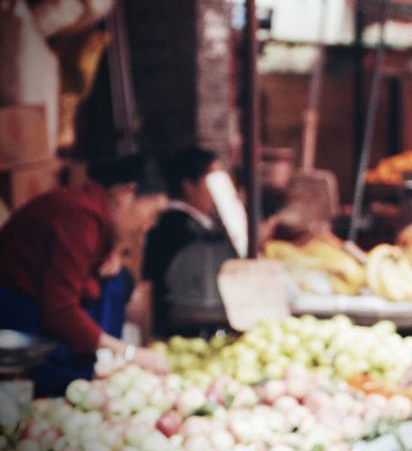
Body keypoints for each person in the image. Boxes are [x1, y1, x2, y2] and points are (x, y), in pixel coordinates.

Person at [0, 154, 169, 396]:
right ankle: (85, 377)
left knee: (119, 279)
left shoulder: (96, 215)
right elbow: (60, 311)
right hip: (16, 313)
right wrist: (129, 353)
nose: (150, 224)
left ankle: (100, 367)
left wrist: (114, 249)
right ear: (125, 194)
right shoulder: (78, 217)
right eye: (154, 213)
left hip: (38, 303)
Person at [143, 146, 236, 337]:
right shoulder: (175, 225)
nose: (221, 190)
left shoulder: (202, 224)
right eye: (212, 181)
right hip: (183, 328)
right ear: (188, 185)